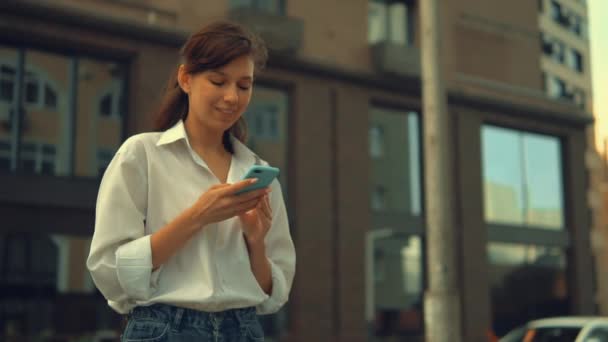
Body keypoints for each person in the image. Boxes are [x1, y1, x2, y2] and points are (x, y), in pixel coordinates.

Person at [86, 20, 296, 342]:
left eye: (244, 86)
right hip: (163, 329)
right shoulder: (141, 155)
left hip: (243, 330)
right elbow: (111, 272)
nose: (231, 97)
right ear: (186, 78)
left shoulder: (258, 171)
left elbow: (273, 294)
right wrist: (198, 215)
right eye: (218, 81)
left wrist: (255, 241)